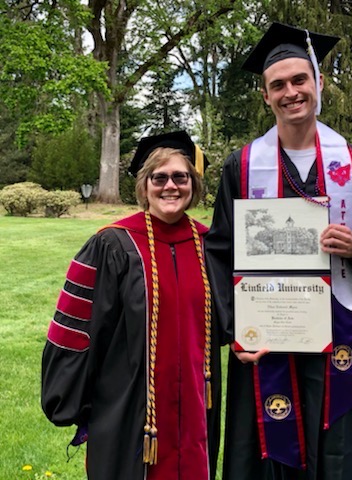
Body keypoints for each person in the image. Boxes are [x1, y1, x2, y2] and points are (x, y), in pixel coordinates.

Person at [205, 22, 352, 480]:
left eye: (300, 80)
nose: (290, 92)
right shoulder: (241, 166)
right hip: (265, 331)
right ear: (265, 95)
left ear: (318, 83)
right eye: (277, 84)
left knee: (337, 433)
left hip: (337, 326)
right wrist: (238, 327)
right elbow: (219, 250)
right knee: (265, 432)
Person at [41, 131, 221, 480]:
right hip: (127, 407)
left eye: (181, 177)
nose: (171, 186)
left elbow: (229, 320)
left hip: (196, 404)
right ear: (144, 186)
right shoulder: (112, 244)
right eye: (160, 178)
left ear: (193, 185)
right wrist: (74, 400)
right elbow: (79, 330)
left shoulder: (207, 244)